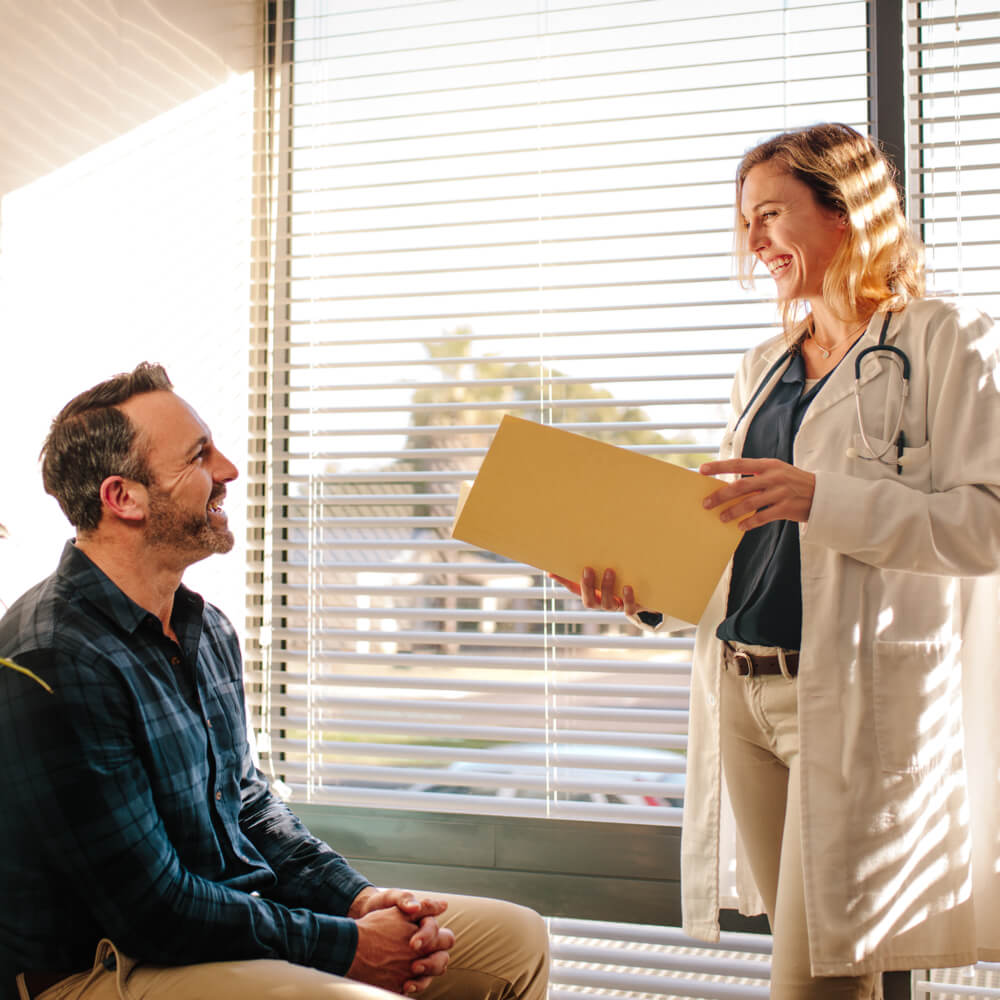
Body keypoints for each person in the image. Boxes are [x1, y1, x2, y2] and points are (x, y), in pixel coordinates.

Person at [556, 123, 1000, 998]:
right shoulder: (764, 367)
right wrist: (645, 591)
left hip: (852, 698)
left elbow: (985, 526)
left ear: (846, 212)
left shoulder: (947, 338)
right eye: (745, 222)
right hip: (743, 691)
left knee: (815, 982)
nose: (753, 243)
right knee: (826, 973)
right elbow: (745, 535)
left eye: (769, 216)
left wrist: (818, 497)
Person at [0, 364, 549, 1000]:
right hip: (96, 967)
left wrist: (358, 899)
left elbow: (249, 805)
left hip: (214, 931)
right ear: (124, 498)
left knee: (515, 938)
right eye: (199, 456)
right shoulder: (53, 658)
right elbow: (151, 910)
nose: (228, 471)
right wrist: (350, 947)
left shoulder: (206, 630)